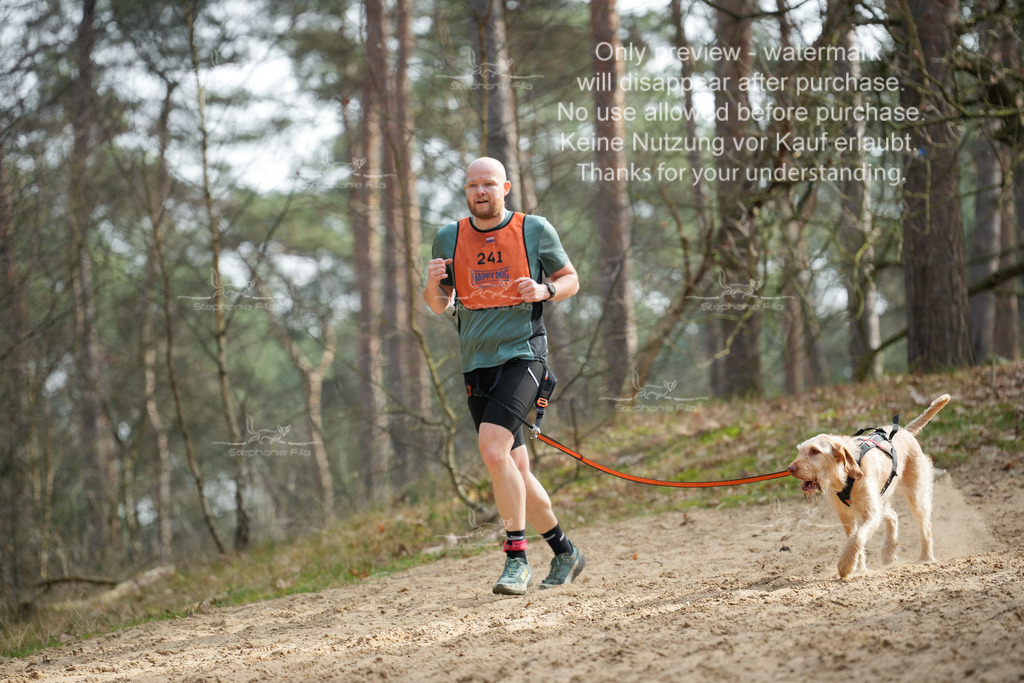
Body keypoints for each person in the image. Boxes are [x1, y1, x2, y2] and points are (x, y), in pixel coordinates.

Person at [422, 157, 585, 595]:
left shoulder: (534, 229)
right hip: (476, 362)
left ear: (505, 188)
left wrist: (546, 289)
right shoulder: (447, 237)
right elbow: (440, 305)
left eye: (489, 184)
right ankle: (565, 550)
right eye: (473, 185)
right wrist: (433, 282)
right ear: (465, 191)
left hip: (523, 355)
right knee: (513, 467)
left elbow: (570, 278)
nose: (481, 192)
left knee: (493, 450)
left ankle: (516, 559)